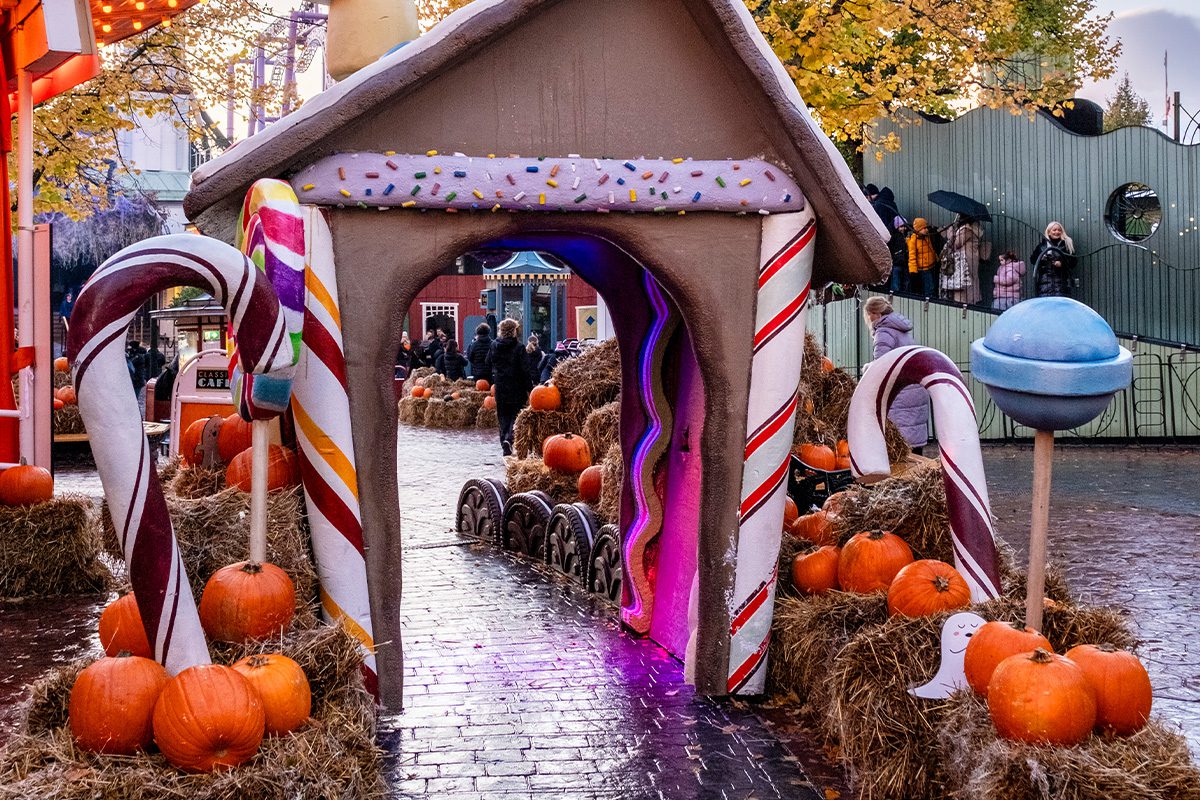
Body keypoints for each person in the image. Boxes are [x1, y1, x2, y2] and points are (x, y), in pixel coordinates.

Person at [863, 297, 928, 454]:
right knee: (913, 437)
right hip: (915, 387)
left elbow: (882, 364)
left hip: (900, 391)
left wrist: (866, 369)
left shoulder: (884, 331)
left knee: (899, 438)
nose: (869, 319)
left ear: (875, 314)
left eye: (869, 314)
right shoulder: (901, 330)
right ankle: (919, 472)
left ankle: (905, 474)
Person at [487, 318, 533, 456]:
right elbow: (525, 370)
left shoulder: (494, 345)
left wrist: (496, 373)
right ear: (514, 331)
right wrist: (530, 389)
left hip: (500, 385)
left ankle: (504, 443)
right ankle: (509, 438)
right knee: (515, 414)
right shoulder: (519, 347)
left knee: (502, 415)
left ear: (501, 331)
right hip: (516, 386)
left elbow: (487, 361)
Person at [940, 214, 984, 305]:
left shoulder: (966, 229)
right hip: (972, 258)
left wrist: (950, 234)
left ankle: (963, 303)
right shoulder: (975, 229)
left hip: (964, 260)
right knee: (972, 280)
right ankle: (972, 300)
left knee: (963, 281)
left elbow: (956, 244)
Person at [1032, 221, 1076, 297]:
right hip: (1044, 283)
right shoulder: (1042, 246)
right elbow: (1032, 259)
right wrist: (1041, 259)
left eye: (1059, 230)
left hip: (1061, 282)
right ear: (1049, 232)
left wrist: (1062, 264)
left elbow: (1073, 261)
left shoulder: (1066, 245)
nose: (1057, 232)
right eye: (1054, 230)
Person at [906, 217, 938, 298]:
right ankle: (929, 298)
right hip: (923, 268)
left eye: (926, 227)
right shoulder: (914, 240)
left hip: (931, 265)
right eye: (924, 228)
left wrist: (936, 258)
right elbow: (912, 256)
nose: (926, 230)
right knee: (929, 287)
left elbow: (931, 249)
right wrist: (913, 270)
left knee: (932, 285)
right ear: (918, 230)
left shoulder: (926, 237)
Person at [889, 215, 910, 293]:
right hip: (897, 262)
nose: (903, 228)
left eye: (904, 226)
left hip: (904, 262)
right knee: (896, 282)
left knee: (905, 282)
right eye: (901, 226)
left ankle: (904, 293)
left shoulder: (906, 237)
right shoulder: (894, 237)